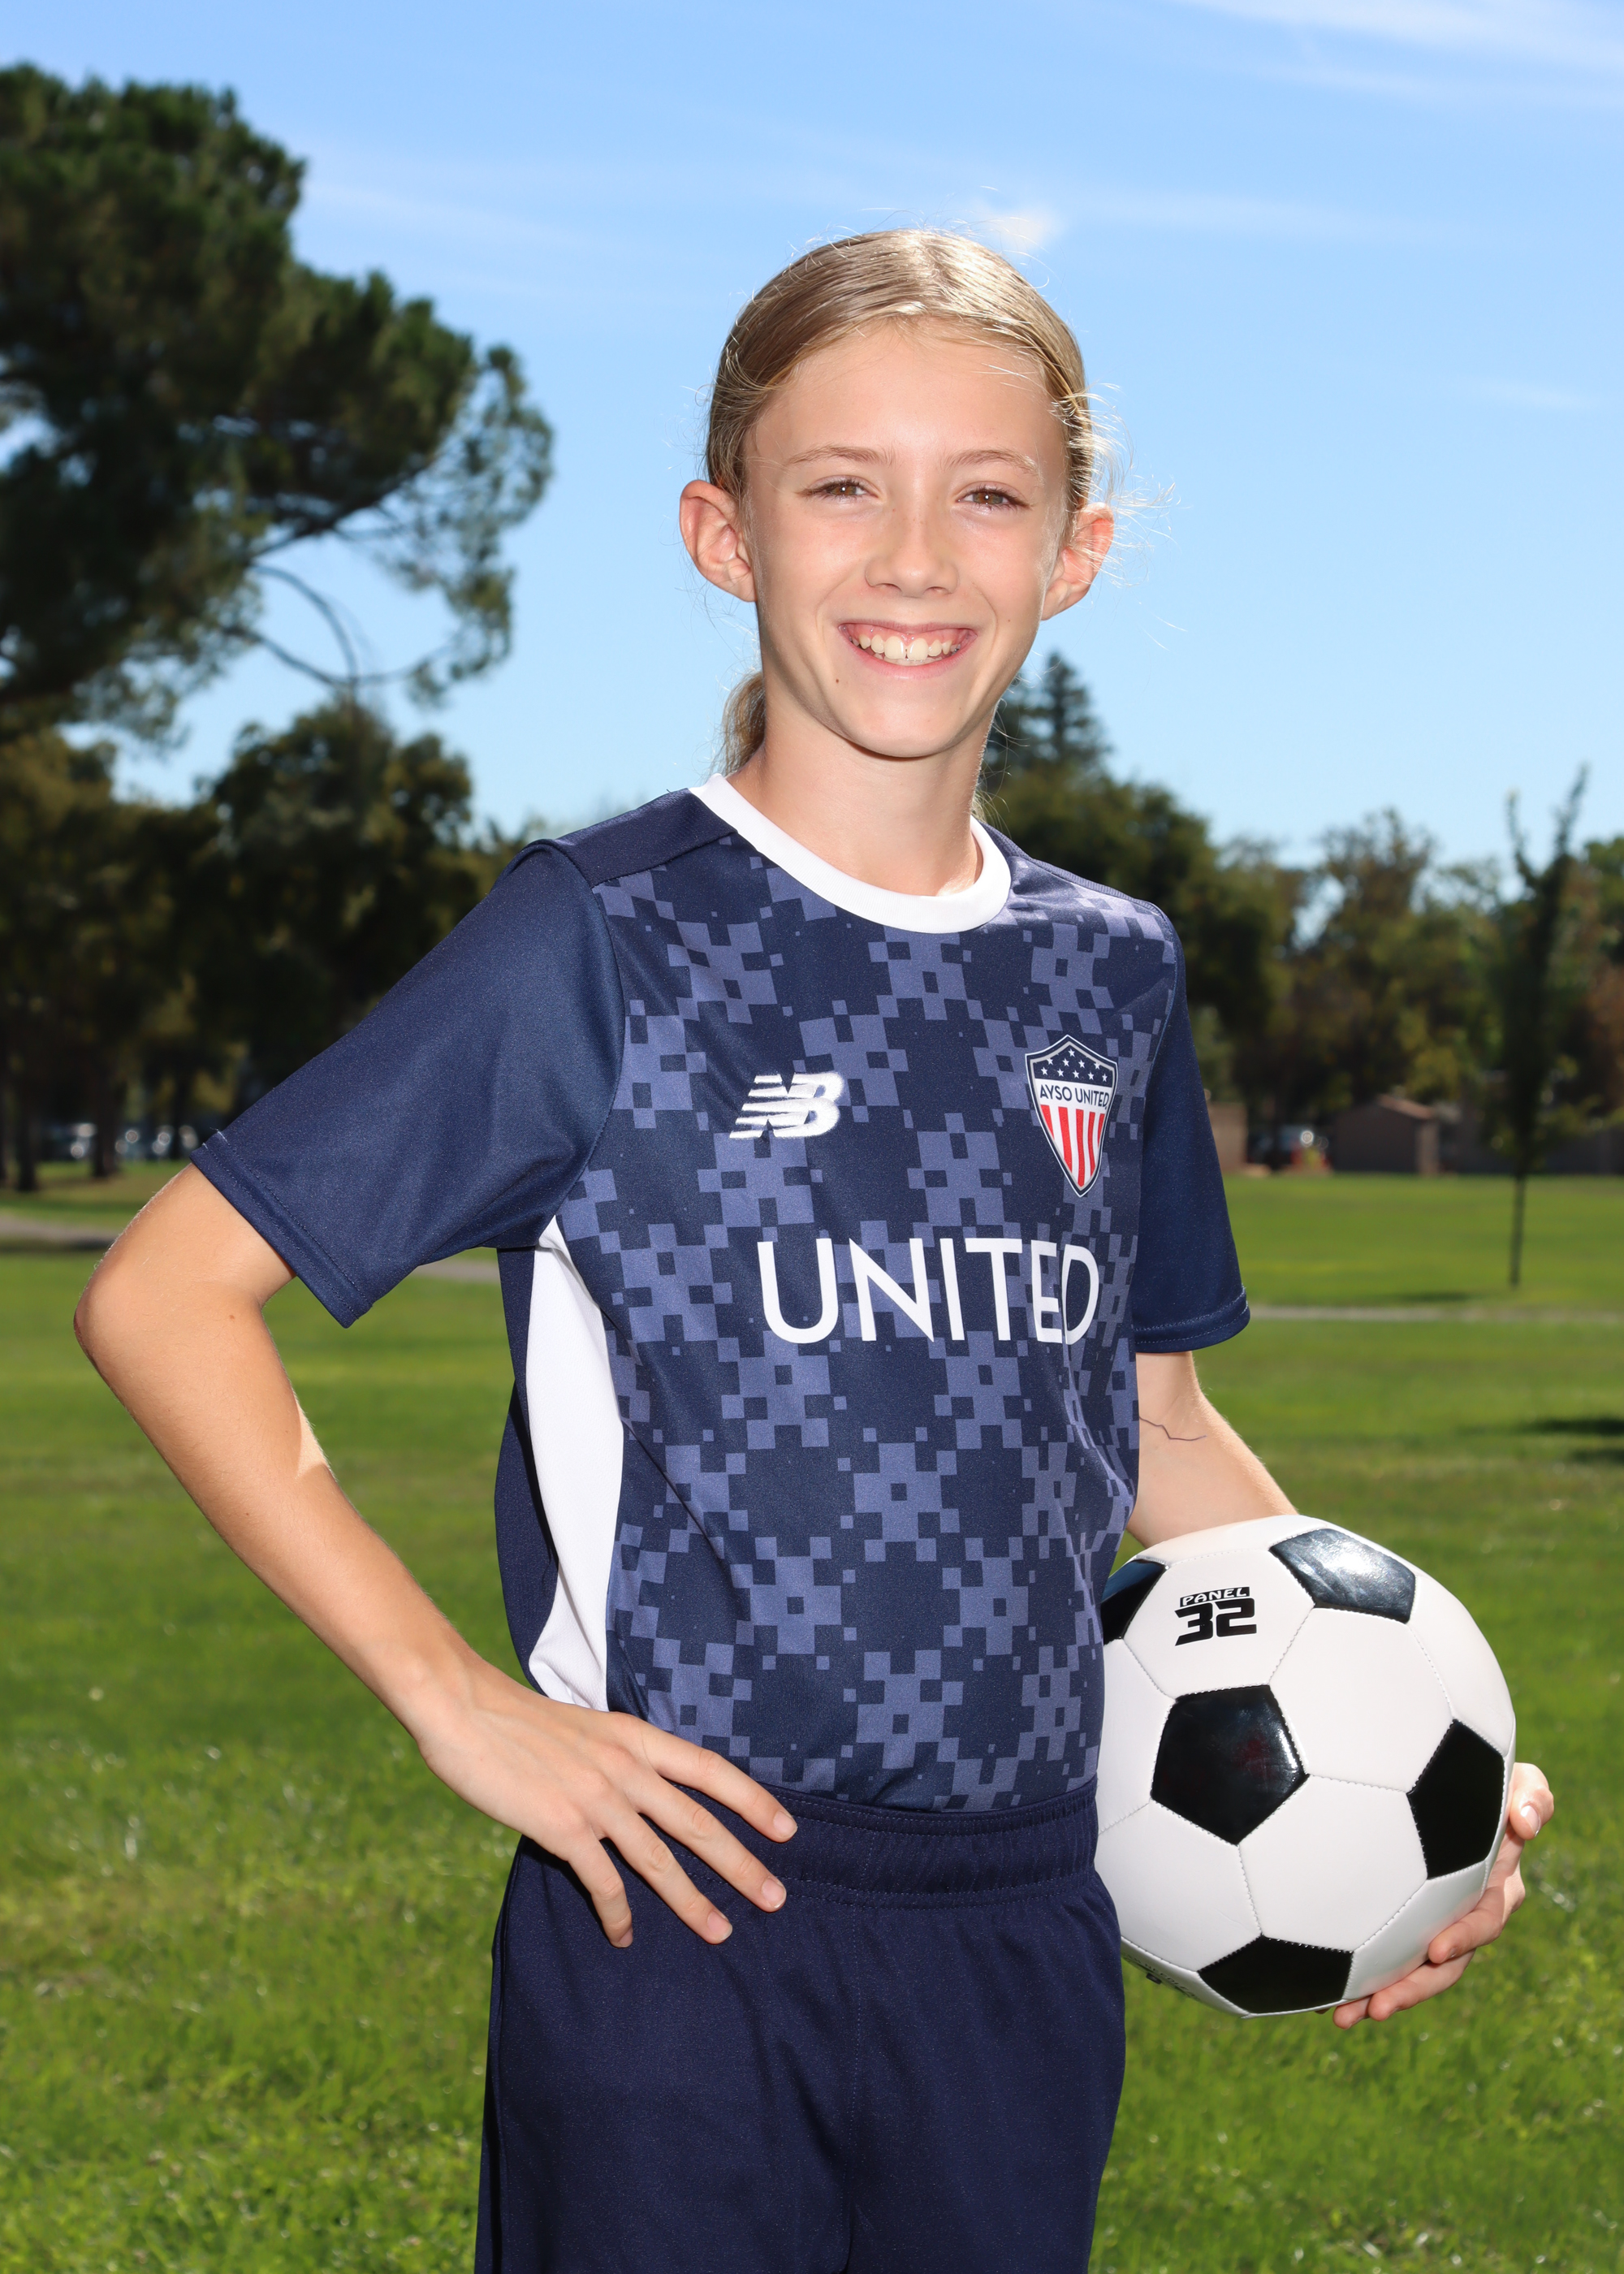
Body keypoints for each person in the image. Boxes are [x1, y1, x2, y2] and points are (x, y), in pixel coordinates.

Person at [75, 231, 1553, 2274]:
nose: (914, 555)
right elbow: (163, 1294)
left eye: (987, 493)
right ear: (725, 530)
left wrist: (1407, 1759)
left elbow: (1154, 1425)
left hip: (1026, 1923)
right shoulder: (603, 935)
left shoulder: (1110, 973)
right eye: (842, 484)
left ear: (1075, 550)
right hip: (679, 1909)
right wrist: (451, 1696)